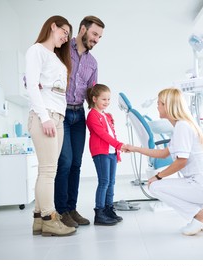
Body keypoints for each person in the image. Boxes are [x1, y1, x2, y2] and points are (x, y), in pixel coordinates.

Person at [124, 88, 203, 236]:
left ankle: (199, 216)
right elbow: (163, 153)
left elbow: (181, 162)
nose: (157, 106)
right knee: (159, 184)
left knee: (155, 187)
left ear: (167, 105)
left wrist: (158, 176)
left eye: (159, 103)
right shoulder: (183, 125)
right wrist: (135, 149)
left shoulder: (182, 127)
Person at [25, 15, 76, 236]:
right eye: (63, 32)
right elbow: (32, 88)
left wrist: (55, 118)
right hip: (44, 116)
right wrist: (44, 117)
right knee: (48, 171)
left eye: (68, 36)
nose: (65, 38)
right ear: (52, 26)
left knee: (47, 171)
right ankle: (49, 219)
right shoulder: (36, 50)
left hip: (58, 117)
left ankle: (38, 219)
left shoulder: (56, 58)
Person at [54, 16, 105, 228]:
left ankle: (72, 209)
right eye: (94, 34)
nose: (96, 39)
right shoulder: (62, 49)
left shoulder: (93, 63)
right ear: (83, 29)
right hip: (61, 113)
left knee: (76, 163)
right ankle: (61, 210)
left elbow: (91, 93)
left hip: (79, 115)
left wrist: (100, 116)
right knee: (64, 162)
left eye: (100, 37)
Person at [86, 84, 125, 225]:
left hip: (111, 152)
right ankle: (99, 213)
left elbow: (111, 132)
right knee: (104, 182)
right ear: (94, 99)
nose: (107, 102)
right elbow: (102, 134)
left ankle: (109, 209)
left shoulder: (106, 115)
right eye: (104, 99)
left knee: (111, 182)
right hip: (101, 152)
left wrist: (116, 150)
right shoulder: (92, 115)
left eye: (108, 99)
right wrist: (119, 145)